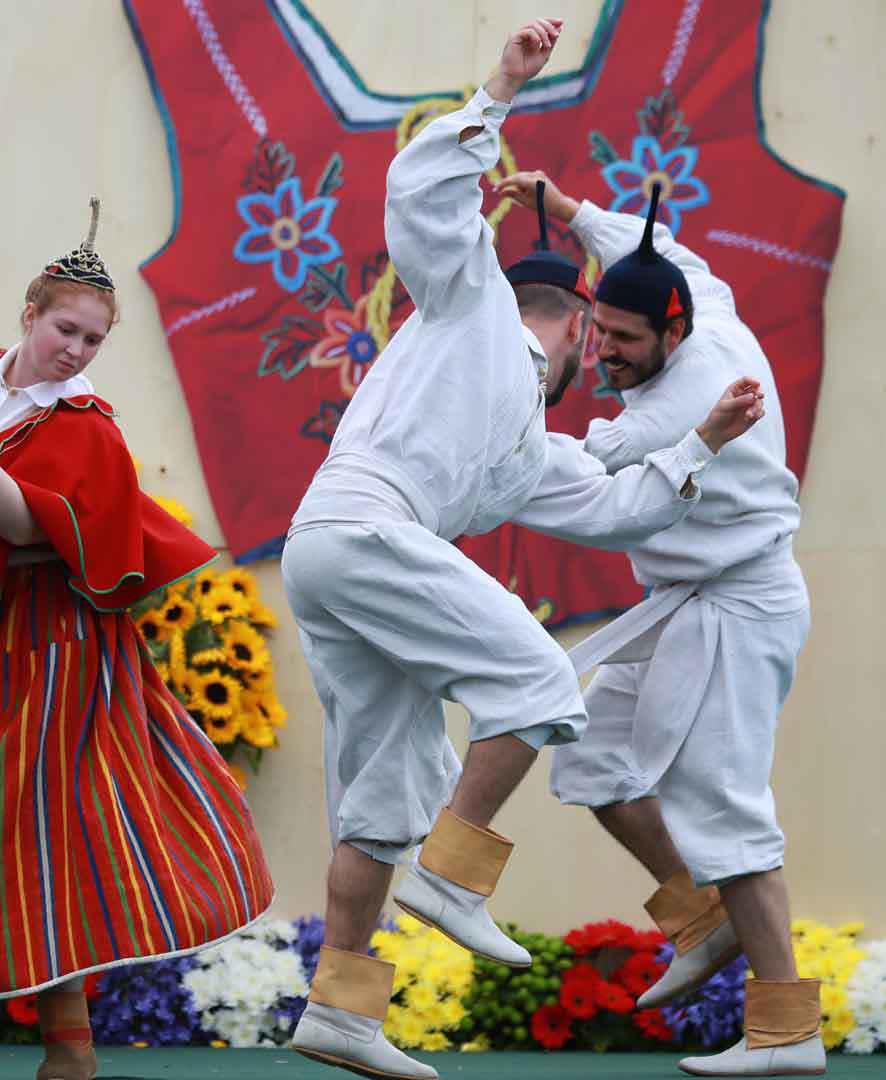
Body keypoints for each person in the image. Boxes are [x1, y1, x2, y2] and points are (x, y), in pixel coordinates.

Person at [276, 21, 768, 1080]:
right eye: (598, 342)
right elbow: (425, 206)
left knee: (382, 792)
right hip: (364, 526)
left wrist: (698, 445)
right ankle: (455, 875)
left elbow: (620, 504)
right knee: (543, 679)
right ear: (575, 320)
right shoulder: (474, 311)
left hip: (341, 560)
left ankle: (342, 1003)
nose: (601, 363)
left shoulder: (524, 449)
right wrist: (499, 85)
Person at [0, 203, 273, 1080]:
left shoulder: (87, 427)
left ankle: (67, 1046)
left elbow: (17, 524)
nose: (75, 350)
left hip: (46, 643)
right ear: (30, 314)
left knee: (42, 821)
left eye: (93, 340)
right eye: (66, 329)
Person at [493, 167, 821, 1077]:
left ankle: (789, 1030)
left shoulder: (683, 405)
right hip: (682, 601)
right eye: (599, 331)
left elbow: (584, 476)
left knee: (727, 811)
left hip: (740, 609)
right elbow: (660, 248)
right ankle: (703, 919)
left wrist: (473, 438)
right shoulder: (704, 304)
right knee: (597, 766)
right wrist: (563, 209)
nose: (605, 352)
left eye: (626, 340)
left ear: (672, 332)